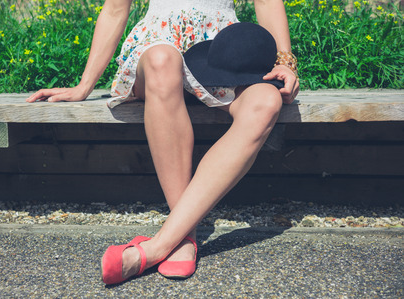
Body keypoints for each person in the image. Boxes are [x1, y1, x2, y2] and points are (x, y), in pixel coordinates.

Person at [26, 0, 299, 285]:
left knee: (267, 102)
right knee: (162, 60)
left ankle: (160, 244)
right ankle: (182, 240)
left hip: (221, 50)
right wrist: (84, 86)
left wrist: (285, 63)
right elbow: (115, 8)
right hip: (158, 44)